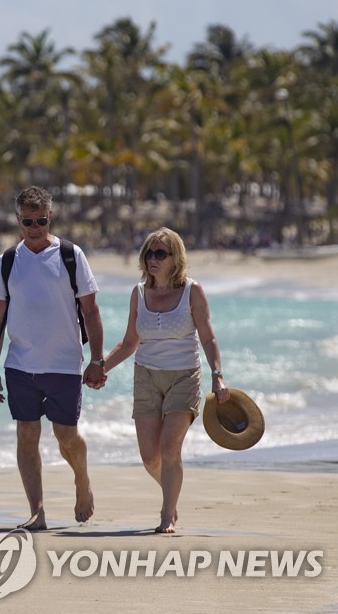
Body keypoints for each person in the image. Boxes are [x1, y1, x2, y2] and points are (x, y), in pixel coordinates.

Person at [0, 186, 106, 530]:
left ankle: (81, 480)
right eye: (28, 221)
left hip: (65, 363)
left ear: (50, 216)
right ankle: (37, 512)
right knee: (26, 433)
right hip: (20, 364)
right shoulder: (8, 260)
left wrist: (96, 359)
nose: (34, 226)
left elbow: (91, 310)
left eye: (40, 219)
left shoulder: (71, 255)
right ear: (18, 219)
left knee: (67, 436)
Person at [100, 227, 230, 533]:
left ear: (176, 258)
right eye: (149, 253)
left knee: (170, 449)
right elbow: (129, 342)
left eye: (160, 253)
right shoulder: (139, 293)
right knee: (150, 457)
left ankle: (167, 513)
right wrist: (100, 367)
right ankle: (171, 489)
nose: (152, 259)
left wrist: (217, 375)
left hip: (184, 376)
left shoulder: (191, 291)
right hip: (145, 376)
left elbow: (208, 338)